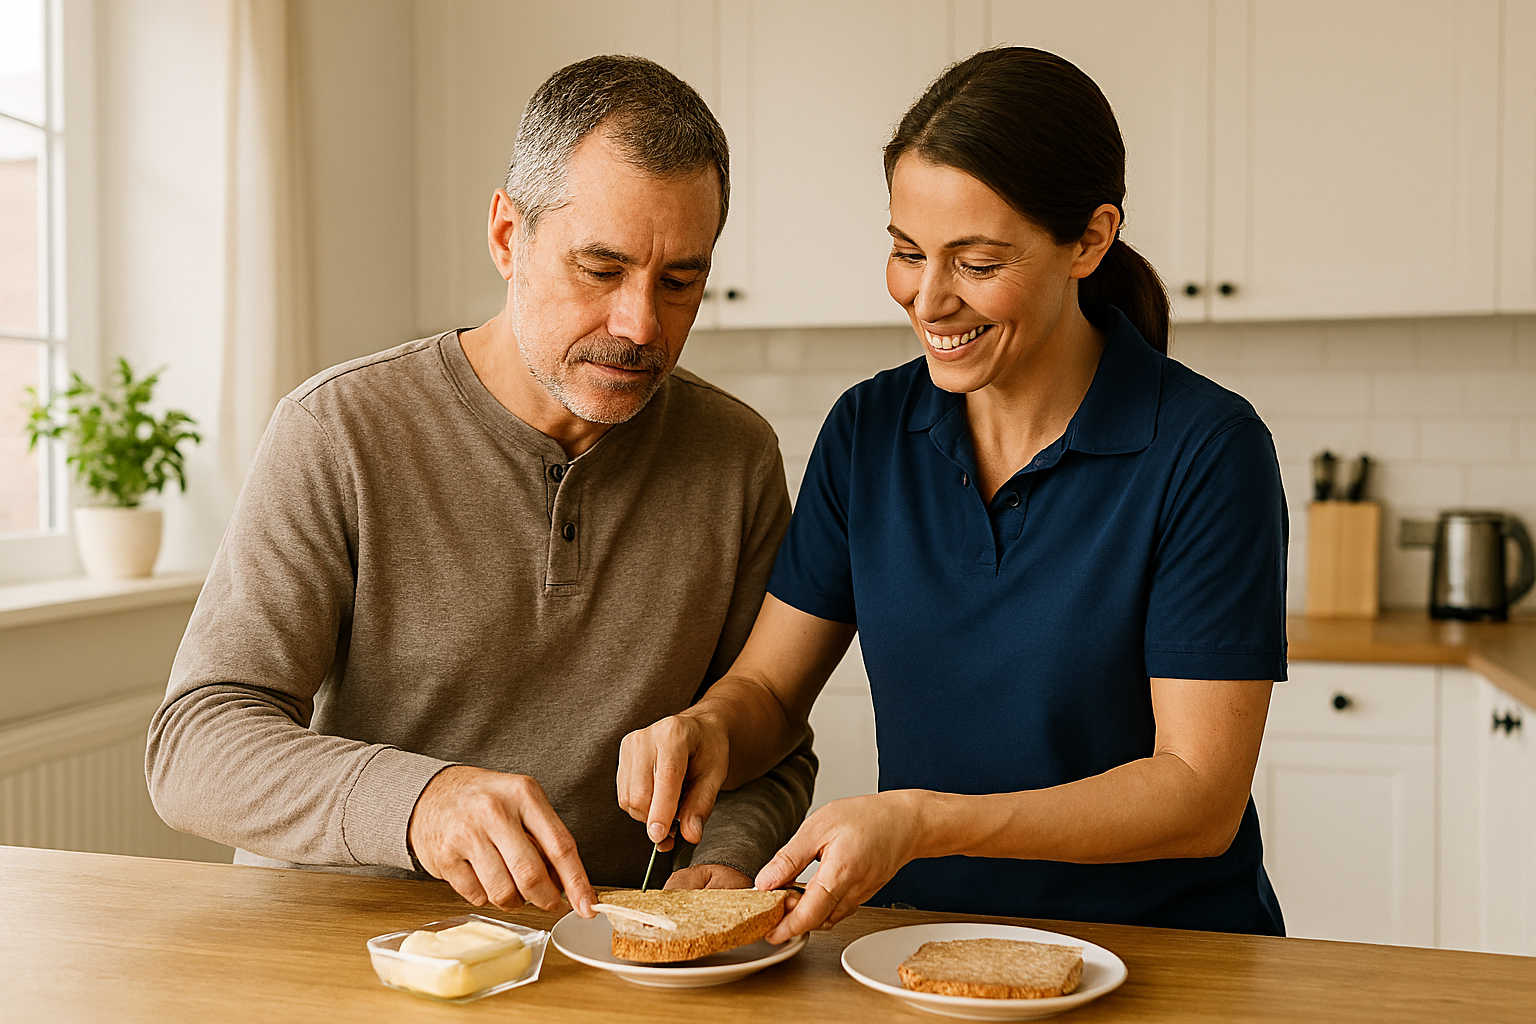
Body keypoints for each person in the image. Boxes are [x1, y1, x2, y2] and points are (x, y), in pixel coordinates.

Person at [618, 47, 1288, 940]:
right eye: (905, 252)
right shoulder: (868, 432)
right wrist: (704, 728)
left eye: (975, 262)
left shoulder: (1208, 450)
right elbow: (773, 696)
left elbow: (1199, 796)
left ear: (1089, 240)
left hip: (1165, 955)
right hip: (920, 951)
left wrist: (928, 821)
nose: (928, 299)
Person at [146, 55, 815, 917]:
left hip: (593, 950)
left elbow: (767, 743)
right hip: (339, 945)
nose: (640, 325)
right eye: (601, 269)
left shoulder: (736, 457)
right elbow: (195, 744)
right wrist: (421, 803)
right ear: (507, 237)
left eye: (680, 282)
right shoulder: (339, 428)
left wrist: (727, 858)